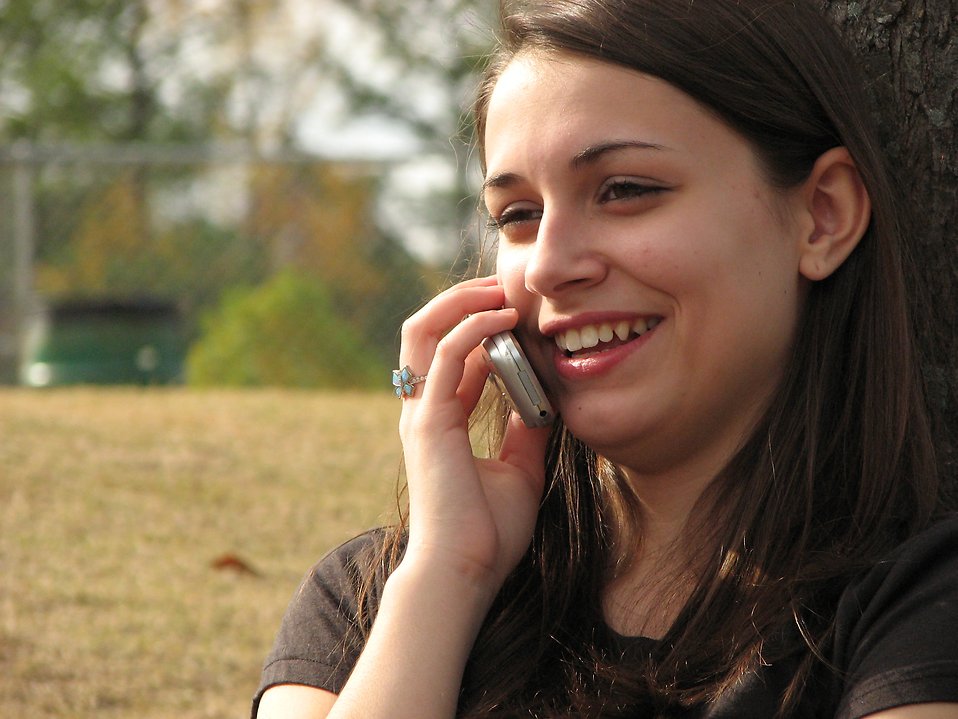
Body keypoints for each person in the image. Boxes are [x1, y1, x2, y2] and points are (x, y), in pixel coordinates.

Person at [252, 1, 958, 717]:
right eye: (518, 215)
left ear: (823, 215)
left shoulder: (919, 614)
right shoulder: (368, 605)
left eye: (625, 190)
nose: (550, 266)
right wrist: (448, 575)